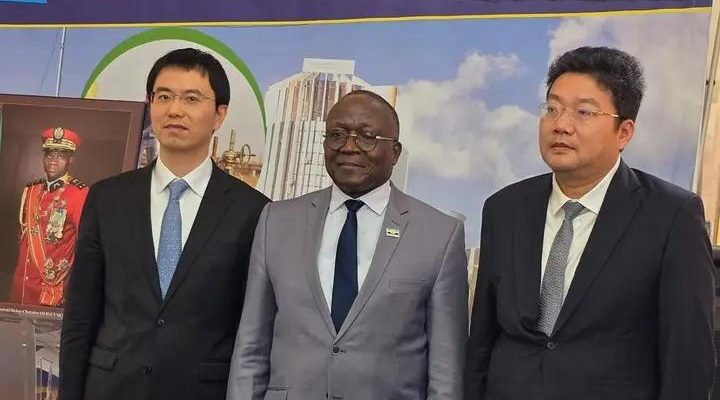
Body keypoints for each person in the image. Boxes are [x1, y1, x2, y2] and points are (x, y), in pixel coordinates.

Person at [465, 46, 715, 400]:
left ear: (624, 132)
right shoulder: (504, 209)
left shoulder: (671, 216)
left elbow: (687, 359)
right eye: (552, 108)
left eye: (583, 112)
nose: (561, 125)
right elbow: (482, 339)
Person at [227, 90, 468, 400]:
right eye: (337, 135)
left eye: (367, 137)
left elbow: (446, 373)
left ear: (395, 152)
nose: (349, 147)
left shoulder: (439, 234)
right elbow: (250, 348)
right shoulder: (276, 221)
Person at [59, 48, 270, 400]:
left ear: (220, 114)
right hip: (110, 389)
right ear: (150, 104)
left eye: (192, 98)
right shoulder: (108, 198)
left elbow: (254, 331)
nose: (175, 110)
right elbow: (80, 315)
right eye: (164, 96)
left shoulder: (253, 211)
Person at [10, 127, 88, 307]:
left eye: (60, 156)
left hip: (51, 286)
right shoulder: (31, 190)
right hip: (22, 283)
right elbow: (23, 236)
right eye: (49, 155)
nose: (53, 161)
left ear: (71, 159)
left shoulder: (79, 193)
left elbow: (85, 244)